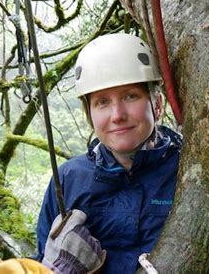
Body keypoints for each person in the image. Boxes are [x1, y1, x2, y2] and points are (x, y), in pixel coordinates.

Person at [34, 33, 182, 273]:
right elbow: (38, 259)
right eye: (102, 102)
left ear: (157, 104)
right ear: (90, 114)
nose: (117, 115)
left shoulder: (186, 172)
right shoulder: (68, 181)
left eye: (130, 96)